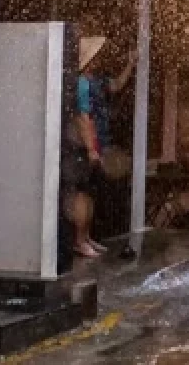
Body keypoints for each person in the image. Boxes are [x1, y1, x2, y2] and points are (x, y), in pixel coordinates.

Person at [68, 37, 136, 258]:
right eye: (96, 56)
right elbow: (83, 118)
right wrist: (90, 148)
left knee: (91, 194)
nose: (100, 59)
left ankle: (86, 237)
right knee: (83, 195)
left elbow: (116, 85)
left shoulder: (95, 80)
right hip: (86, 145)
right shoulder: (82, 83)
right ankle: (79, 240)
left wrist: (130, 64)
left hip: (99, 142)